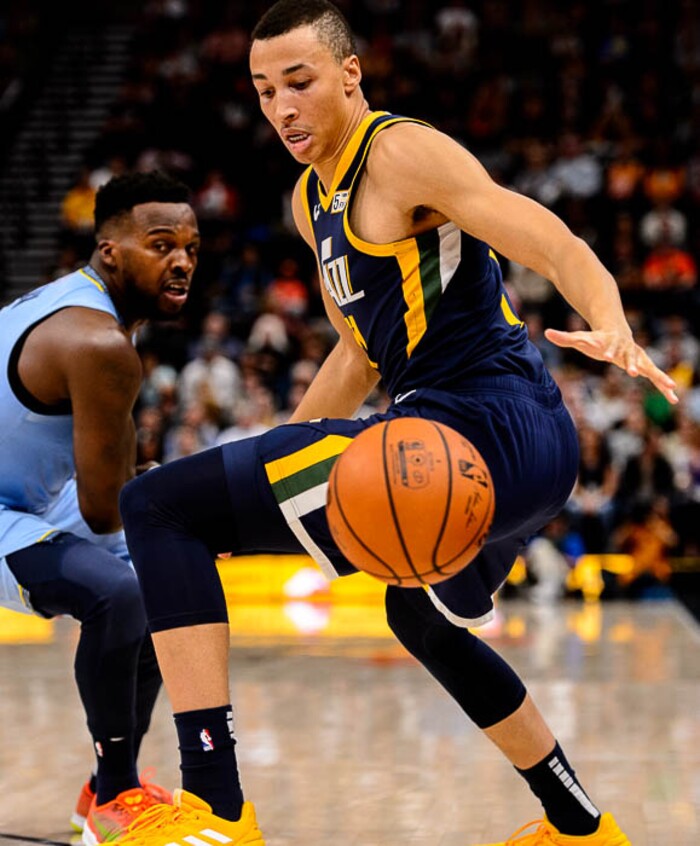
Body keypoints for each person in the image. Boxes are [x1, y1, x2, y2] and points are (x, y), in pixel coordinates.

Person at [116, 3, 678, 845]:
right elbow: (355, 355)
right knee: (415, 616)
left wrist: (612, 322)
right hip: (522, 447)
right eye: (265, 90)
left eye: (300, 83)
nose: (282, 108)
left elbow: (552, 240)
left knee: (159, 507)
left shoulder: (399, 153)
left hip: (476, 426)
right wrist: (267, 463)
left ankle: (217, 814)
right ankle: (579, 827)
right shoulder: (311, 203)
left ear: (351, 74)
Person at [0, 171, 201, 844]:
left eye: (192, 249)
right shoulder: (99, 343)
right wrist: (183, 508)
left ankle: (105, 787)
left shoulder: (90, 309)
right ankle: (116, 796)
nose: (181, 262)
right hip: (9, 506)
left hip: (25, 497)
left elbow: (115, 480)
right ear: (110, 250)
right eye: (161, 244)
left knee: (160, 578)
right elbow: (109, 508)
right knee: (119, 592)